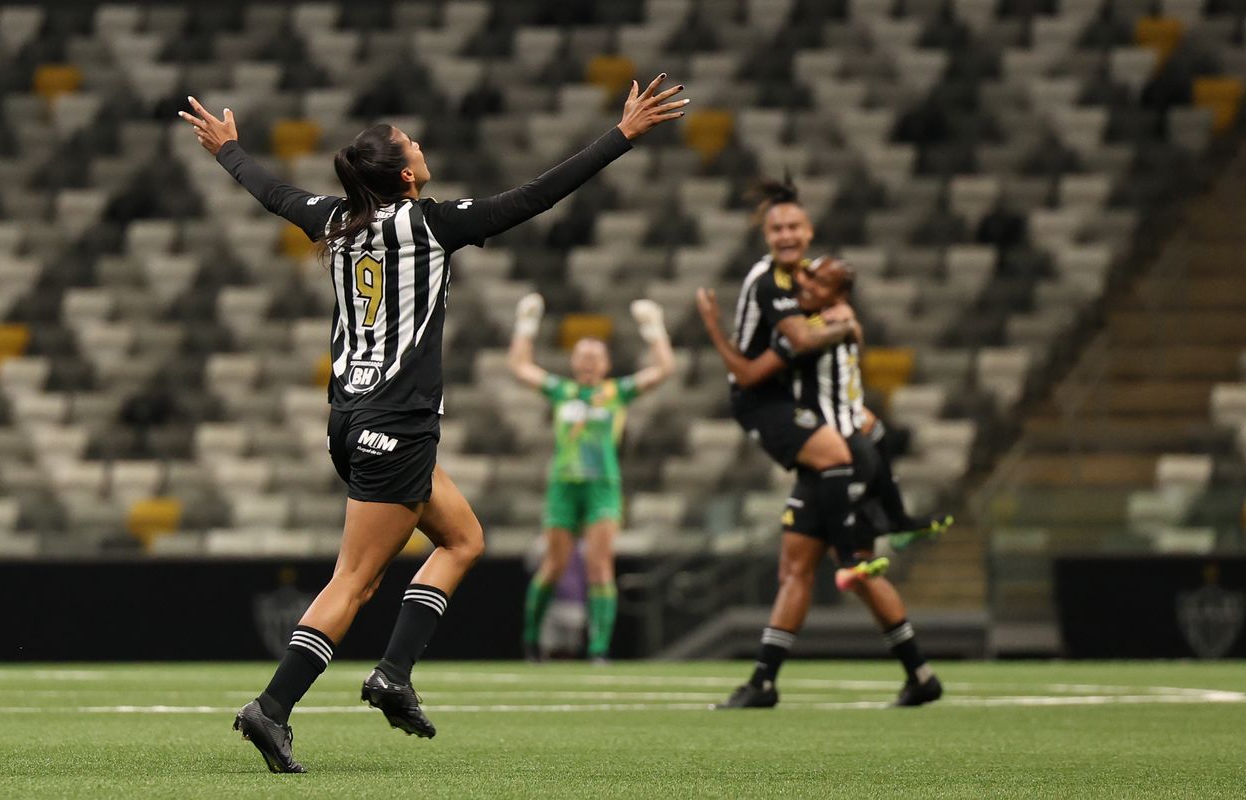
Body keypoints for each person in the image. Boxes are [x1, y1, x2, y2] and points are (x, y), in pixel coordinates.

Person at [180, 75, 688, 773]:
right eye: (411, 143)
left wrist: (227, 151)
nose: (421, 146)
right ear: (404, 174)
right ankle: (271, 707)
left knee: (463, 539)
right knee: (355, 581)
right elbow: (534, 196)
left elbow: (272, 192)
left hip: (350, 419)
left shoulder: (333, 220)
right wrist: (621, 136)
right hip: (396, 424)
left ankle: (393, 675)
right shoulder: (429, 225)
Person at [698, 257, 949, 707]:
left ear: (839, 295)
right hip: (857, 448)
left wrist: (714, 329)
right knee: (850, 573)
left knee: (804, 571)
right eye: (808, 276)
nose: (807, 285)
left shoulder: (812, 331)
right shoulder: (841, 323)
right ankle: (919, 673)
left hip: (837, 457)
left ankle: (763, 682)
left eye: (820, 282)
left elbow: (750, 374)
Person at [697, 177, 880, 709]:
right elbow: (798, 342)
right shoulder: (769, 282)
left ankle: (767, 681)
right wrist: (846, 328)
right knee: (836, 474)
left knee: (796, 569)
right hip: (769, 407)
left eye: (793, 226)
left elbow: (827, 348)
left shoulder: (809, 280)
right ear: (766, 234)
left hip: (808, 412)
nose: (785, 235)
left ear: (809, 230)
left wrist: (854, 389)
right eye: (776, 228)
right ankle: (850, 552)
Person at [509, 294, 675, 663]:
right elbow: (520, 366)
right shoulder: (562, 391)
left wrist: (654, 329)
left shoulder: (615, 393)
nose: (588, 362)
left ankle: (598, 649)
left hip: (603, 485)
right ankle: (531, 640)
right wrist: (526, 325)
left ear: (606, 364)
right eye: (582, 356)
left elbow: (664, 369)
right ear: (573, 362)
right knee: (554, 566)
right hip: (564, 484)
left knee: (599, 566)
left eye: (595, 357)